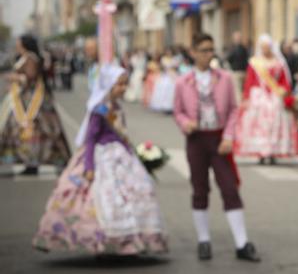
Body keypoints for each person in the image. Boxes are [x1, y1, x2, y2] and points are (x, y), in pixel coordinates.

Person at [32, 65, 169, 255]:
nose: (123, 88)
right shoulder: (100, 110)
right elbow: (90, 139)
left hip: (122, 158)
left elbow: (123, 134)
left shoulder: (117, 107)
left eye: (125, 84)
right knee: (102, 198)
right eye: (119, 85)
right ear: (109, 86)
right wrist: (89, 166)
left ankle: (132, 240)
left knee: (137, 194)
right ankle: (104, 242)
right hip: (102, 156)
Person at [173, 33, 260, 262]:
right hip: (196, 139)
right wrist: (186, 124)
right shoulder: (183, 82)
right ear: (193, 52)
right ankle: (204, 240)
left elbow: (233, 108)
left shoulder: (224, 78)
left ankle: (242, 243)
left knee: (229, 188)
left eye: (211, 49)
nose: (209, 54)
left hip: (219, 138)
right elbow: (178, 111)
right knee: (200, 189)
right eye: (203, 50)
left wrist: (229, 136)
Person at [0, 35, 71, 175]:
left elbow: (29, 77)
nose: (16, 46)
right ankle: (27, 161)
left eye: (18, 43)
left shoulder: (31, 58)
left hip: (33, 99)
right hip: (21, 97)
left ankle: (36, 161)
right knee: (15, 129)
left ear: (24, 45)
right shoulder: (24, 57)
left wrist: (14, 77)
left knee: (40, 129)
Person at [236, 34, 298, 165]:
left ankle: (272, 151)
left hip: (275, 96)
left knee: (275, 122)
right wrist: (246, 97)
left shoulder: (279, 63)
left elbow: (284, 81)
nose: (265, 50)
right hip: (259, 97)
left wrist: (283, 91)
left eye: (268, 47)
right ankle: (261, 151)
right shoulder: (255, 62)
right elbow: (250, 81)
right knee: (259, 123)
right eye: (263, 47)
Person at [149, 49, 177, 113]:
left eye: (170, 52)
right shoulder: (163, 59)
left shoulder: (174, 60)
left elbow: (175, 68)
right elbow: (161, 67)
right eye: (168, 52)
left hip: (172, 75)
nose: (169, 53)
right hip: (165, 75)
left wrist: (172, 71)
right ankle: (164, 105)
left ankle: (171, 106)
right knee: (164, 88)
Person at [226, 31, 250, 101]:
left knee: (239, 89)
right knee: (239, 89)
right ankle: (241, 102)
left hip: (240, 71)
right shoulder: (242, 48)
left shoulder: (236, 48)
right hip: (239, 71)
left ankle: (240, 103)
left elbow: (229, 58)